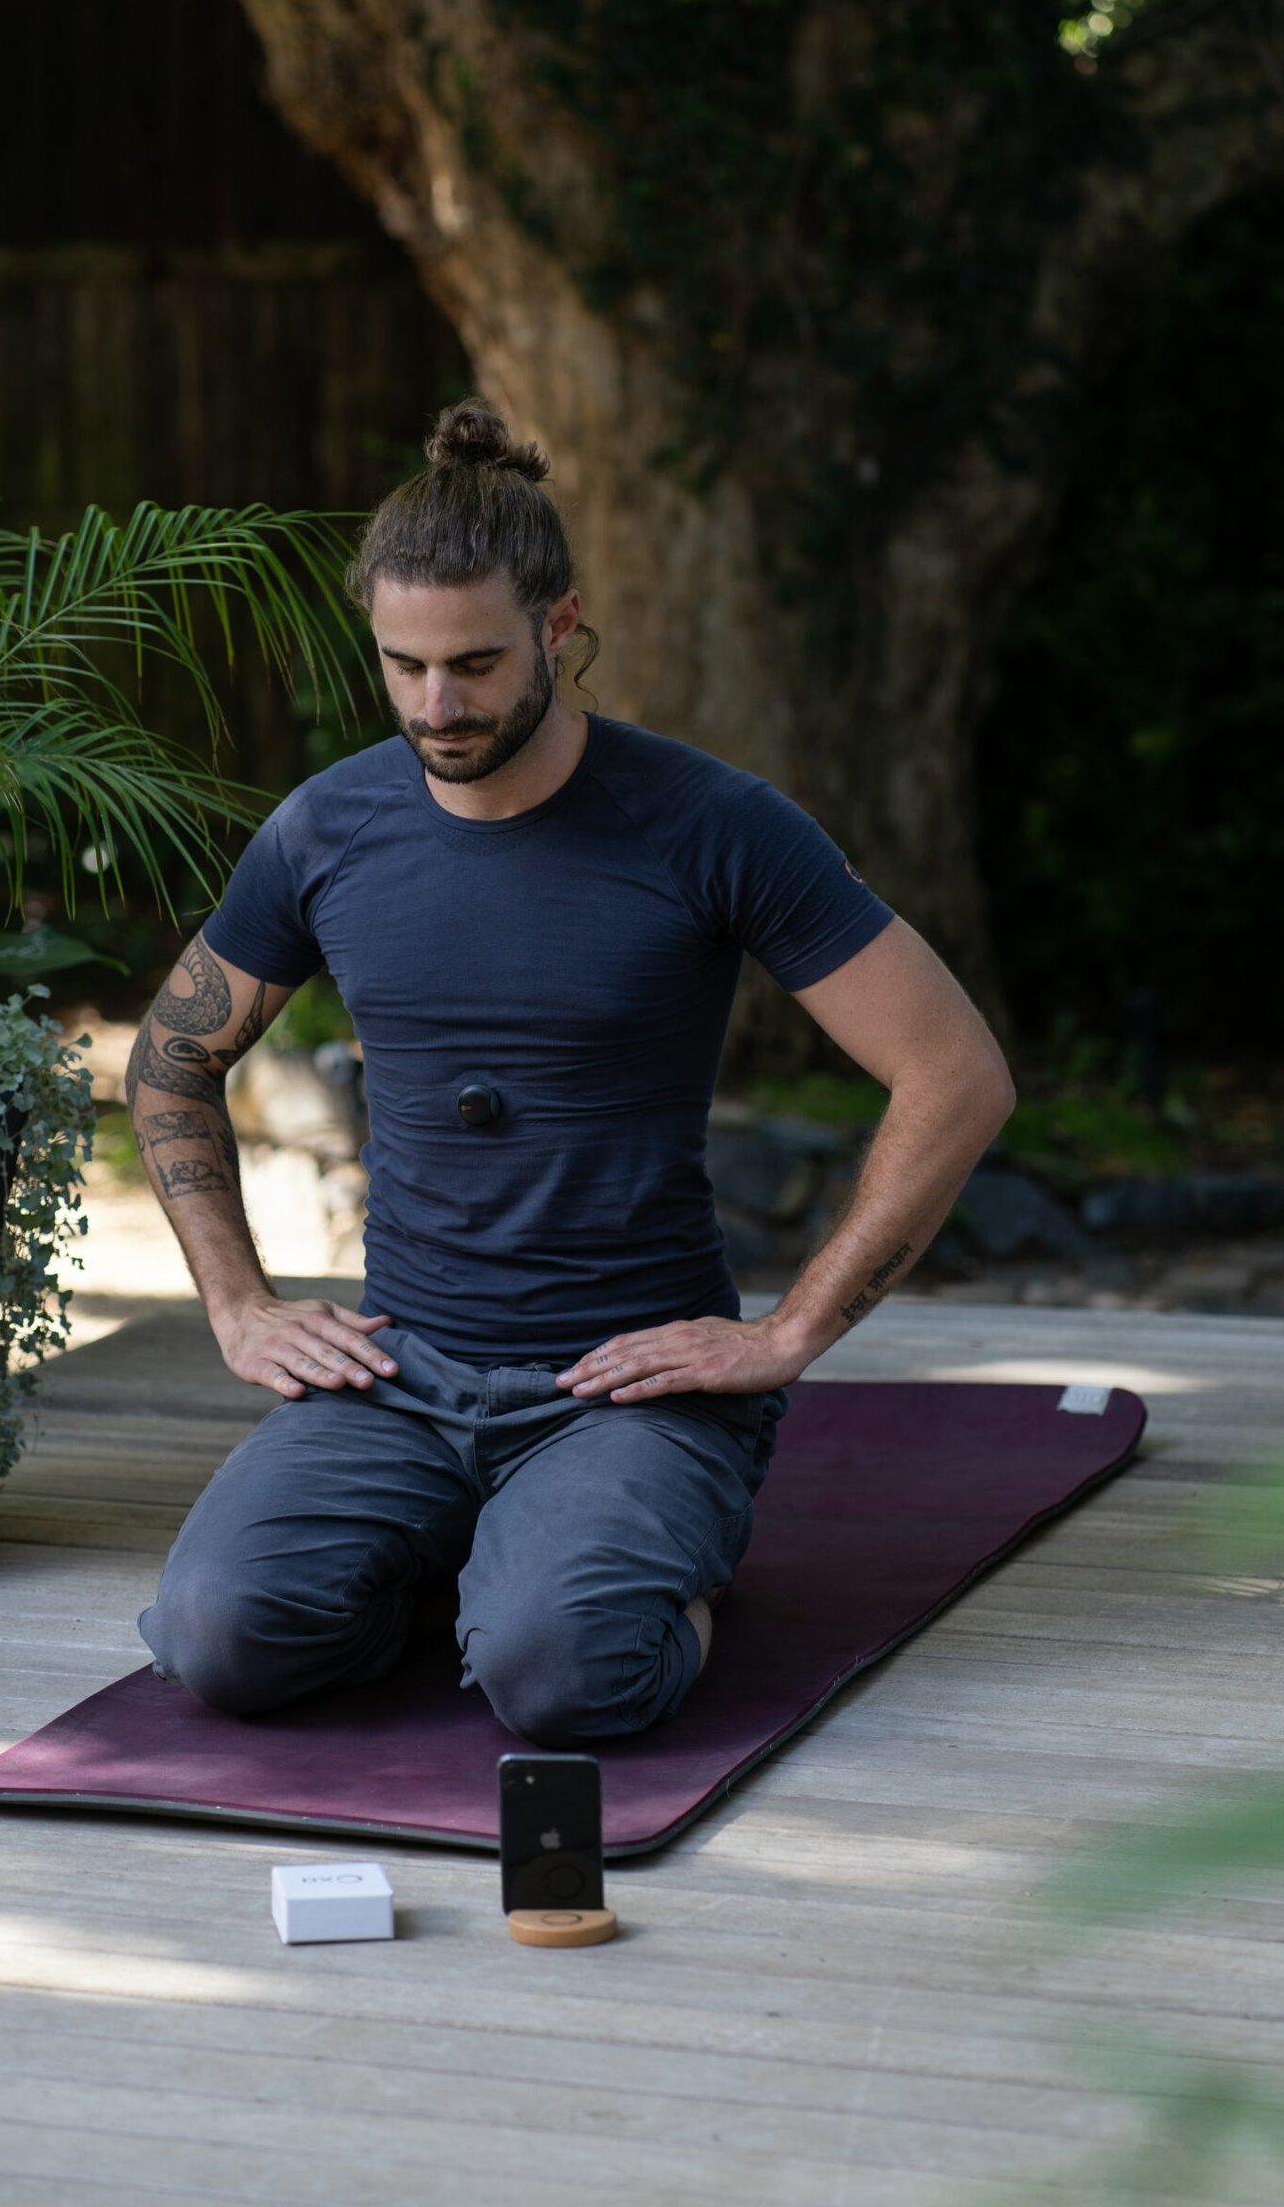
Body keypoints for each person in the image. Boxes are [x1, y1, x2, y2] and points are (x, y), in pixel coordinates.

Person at [130, 398, 1015, 1746]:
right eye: (404, 667)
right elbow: (170, 1060)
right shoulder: (325, 829)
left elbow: (956, 1073)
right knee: (221, 1639)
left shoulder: (712, 824)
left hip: (630, 1382)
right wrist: (239, 1305)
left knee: (564, 1679)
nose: (439, 705)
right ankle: (482, 1569)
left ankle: (610, 1583)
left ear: (560, 625)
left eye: (475, 665)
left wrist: (787, 1338)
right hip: (399, 1373)